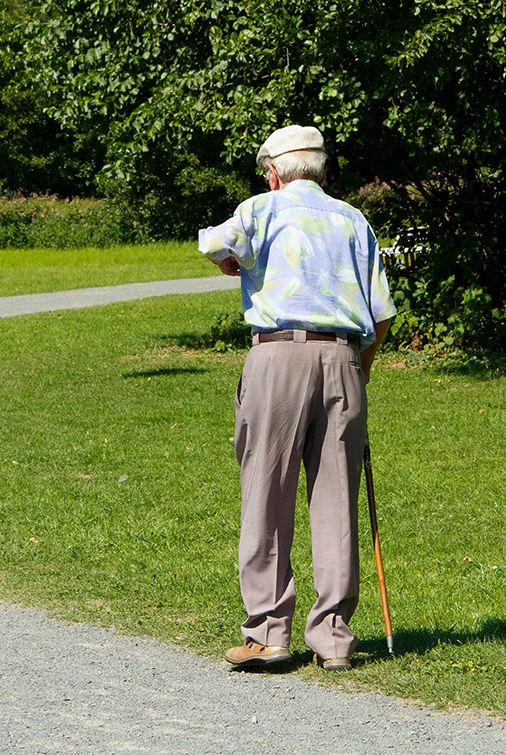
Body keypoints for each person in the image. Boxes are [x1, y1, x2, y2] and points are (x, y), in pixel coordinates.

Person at [197, 125, 396, 671]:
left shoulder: (263, 207)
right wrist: (360, 373)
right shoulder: (354, 219)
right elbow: (381, 315)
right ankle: (332, 639)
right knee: (336, 498)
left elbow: (212, 241)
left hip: (278, 356)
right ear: (322, 171)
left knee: (267, 489)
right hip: (343, 362)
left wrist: (227, 262)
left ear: (275, 172)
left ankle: (269, 632)